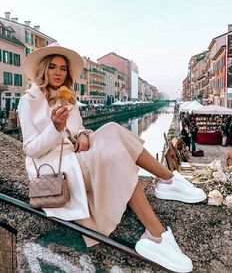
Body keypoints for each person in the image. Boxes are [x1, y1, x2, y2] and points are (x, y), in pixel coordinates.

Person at [18, 43, 206, 273]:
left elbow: (78, 130)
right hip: (55, 172)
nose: (58, 73)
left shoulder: (69, 100)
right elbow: (30, 149)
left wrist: (85, 134)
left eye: (63, 69)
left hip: (75, 158)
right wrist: (55, 128)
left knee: (111, 128)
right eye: (53, 67)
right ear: (43, 70)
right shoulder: (28, 100)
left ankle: (168, 180)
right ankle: (157, 232)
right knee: (117, 158)